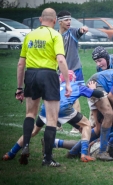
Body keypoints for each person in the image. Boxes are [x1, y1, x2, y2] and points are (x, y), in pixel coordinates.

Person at [4, 71, 104, 163]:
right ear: (73, 79)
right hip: (64, 108)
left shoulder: (55, 86)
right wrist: (93, 89)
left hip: (46, 108)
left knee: (33, 131)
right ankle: (84, 154)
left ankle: (10, 153)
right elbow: (99, 94)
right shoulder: (76, 85)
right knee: (86, 124)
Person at [15, 8, 72, 167]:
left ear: (40, 19)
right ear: (55, 21)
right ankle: (47, 158)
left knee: (30, 114)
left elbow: (21, 64)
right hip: (48, 75)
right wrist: (67, 83)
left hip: (31, 74)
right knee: (52, 120)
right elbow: (60, 60)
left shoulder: (30, 35)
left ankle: (25, 145)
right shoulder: (55, 35)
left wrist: (19, 88)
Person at [57, 10, 88, 134]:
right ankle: (57, 124)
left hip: (74, 70)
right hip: (59, 71)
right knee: (57, 97)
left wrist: (84, 28)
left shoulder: (73, 32)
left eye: (70, 19)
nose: (69, 22)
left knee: (74, 96)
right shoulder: (55, 36)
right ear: (59, 22)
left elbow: (80, 30)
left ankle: (77, 126)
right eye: (66, 20)